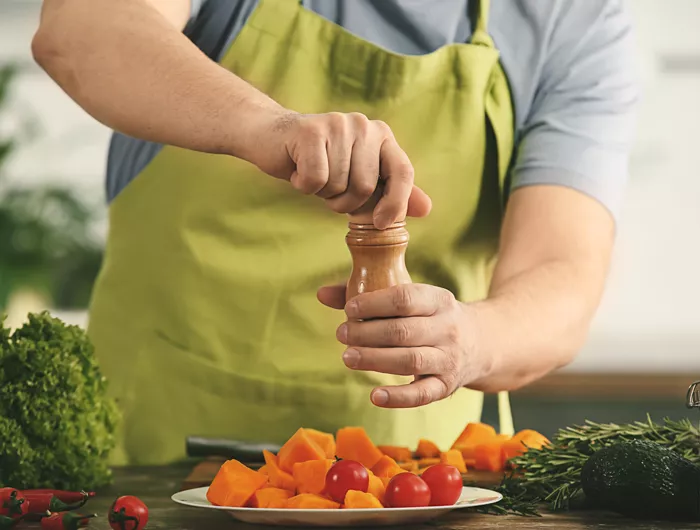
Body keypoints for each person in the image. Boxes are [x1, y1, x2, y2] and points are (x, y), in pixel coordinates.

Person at [32, 0, 638, 465]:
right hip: (151, 452)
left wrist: (474, 339)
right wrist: (267, 126)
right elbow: (81, 30)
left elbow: (562, 275)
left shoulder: (572, 17)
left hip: (416, 477)